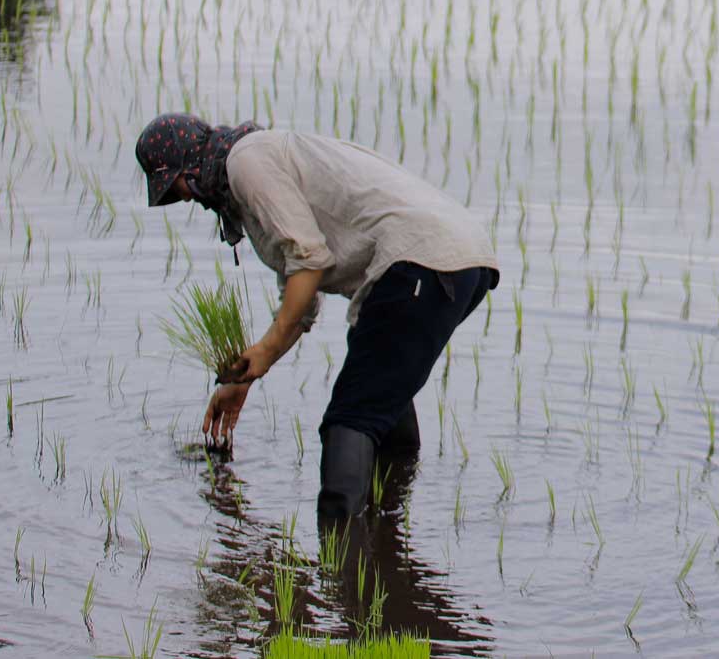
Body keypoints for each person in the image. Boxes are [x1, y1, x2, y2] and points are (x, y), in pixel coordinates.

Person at [134, 113, 499, 529]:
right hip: (461, 261)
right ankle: (388, 537)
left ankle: (341, 560)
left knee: (351, 419)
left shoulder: (245, 161)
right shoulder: (264, 158)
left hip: (419, 261)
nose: (183, 198)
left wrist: (267, 349)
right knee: (380, 396)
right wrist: (244, 378)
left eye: (174, 185)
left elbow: (307, 261)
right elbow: (301, 299)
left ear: (189, 163)